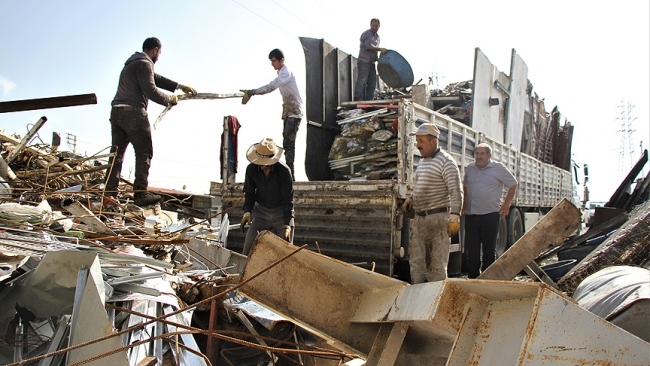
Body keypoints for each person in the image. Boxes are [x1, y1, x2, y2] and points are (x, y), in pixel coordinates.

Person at [107, 37, 196, 206]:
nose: (158, 56)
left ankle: (109, 194)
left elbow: (155, 78)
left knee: (116, 155)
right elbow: (150, 89)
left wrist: (180, 86)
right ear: (155, 50)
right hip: (133, 113)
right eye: (159, 53)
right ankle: (140, 194)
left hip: (117, 111)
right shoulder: (145, 64)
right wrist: (170, 99)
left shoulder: (133, 62)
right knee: (144, 152)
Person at [402, 123, 463, 283]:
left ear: (433, 141)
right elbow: (422, 185)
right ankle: (418, 301)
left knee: (436, 267)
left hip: (437, 220)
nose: (418, 145)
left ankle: (436, 301)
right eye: (417, 141)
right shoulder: (423, 162)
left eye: (421, 141)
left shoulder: (447, 162)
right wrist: (412, 198)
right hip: (421, 220)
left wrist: (455, 217)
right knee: (417, 265)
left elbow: (456, 191)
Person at [240, 49, 303, 179]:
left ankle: (290, 176)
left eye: (274, 61)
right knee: (287, 143)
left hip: (294, 112)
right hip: (288, 112)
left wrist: (252, 92)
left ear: (282, 60)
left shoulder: (285, 74)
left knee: (289, 144)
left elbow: (270, 87)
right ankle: (289, 174)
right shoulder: (282, 74)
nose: (272, 64)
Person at [461, 143, 518, 278]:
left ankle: (487, 278)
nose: (479, 157)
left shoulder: (498, 168)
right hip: (472, 215)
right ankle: (473, 278)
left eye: (482, 154)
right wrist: (464, 205)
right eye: (477, 154)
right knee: (472, 250)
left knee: (488, 251)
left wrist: (507, 203)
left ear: (489, 155)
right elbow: (466, 188)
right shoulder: (470, 168)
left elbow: (513, 184)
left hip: (490, 216)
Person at [240, 138, 295, 256]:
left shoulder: (284, 171)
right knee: (248, 247)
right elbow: (249, 193)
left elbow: (288, 199)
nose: (263, 165)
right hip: (261, 212)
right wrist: (247, 211)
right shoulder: (251, 169)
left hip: (281, 212)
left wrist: (287, 224)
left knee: (286, 252)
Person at [354, 18, 387, 101]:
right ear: (370, 25)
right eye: (373, 25)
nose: (374, 27)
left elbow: (374, 51)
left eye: (376, 26)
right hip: (364, 61)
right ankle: (358, 98)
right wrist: (380, 49)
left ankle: (369, 99)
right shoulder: (367, 34)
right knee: (362, 79)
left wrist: (379, 58)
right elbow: (369, 46)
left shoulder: (377, 37)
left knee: (372, 82)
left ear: (379, 26)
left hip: (372, 62)